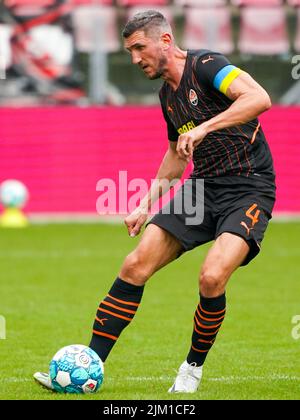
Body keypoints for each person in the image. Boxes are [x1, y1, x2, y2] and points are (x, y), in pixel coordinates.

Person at [34, 10, 276, 393]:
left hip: (249, 187)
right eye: (129, 51)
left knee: (212, 277)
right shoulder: (167, 96)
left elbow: (258, 97)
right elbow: (177, 156)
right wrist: (145, 204)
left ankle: (191, 368)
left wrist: (205, 127)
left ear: (164, 41)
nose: (134, 58)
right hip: (202, 189)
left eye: (138, 48)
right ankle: (89, 366)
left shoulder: (209, 65)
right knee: (134, 265)